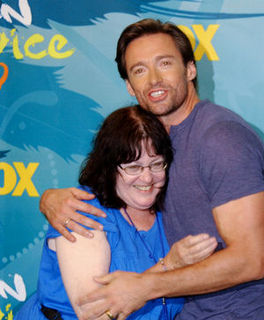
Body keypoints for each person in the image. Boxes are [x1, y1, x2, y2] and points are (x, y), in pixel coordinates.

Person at [40, 19, 264, 320]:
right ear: (130, 86)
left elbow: (250, 260)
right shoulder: (159, 143)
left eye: (165, 63)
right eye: (139, 70)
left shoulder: (221, 138)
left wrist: (147, 285)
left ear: (190, 69)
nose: (154, 79)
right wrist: (49, 198)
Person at [15, 106, 218, 320]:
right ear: (109, 167)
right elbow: (94, 314)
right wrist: (169, 265)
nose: (147, 178)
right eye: (133, 167)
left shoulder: (172, 208)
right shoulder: (83, 211)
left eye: (156, 165)